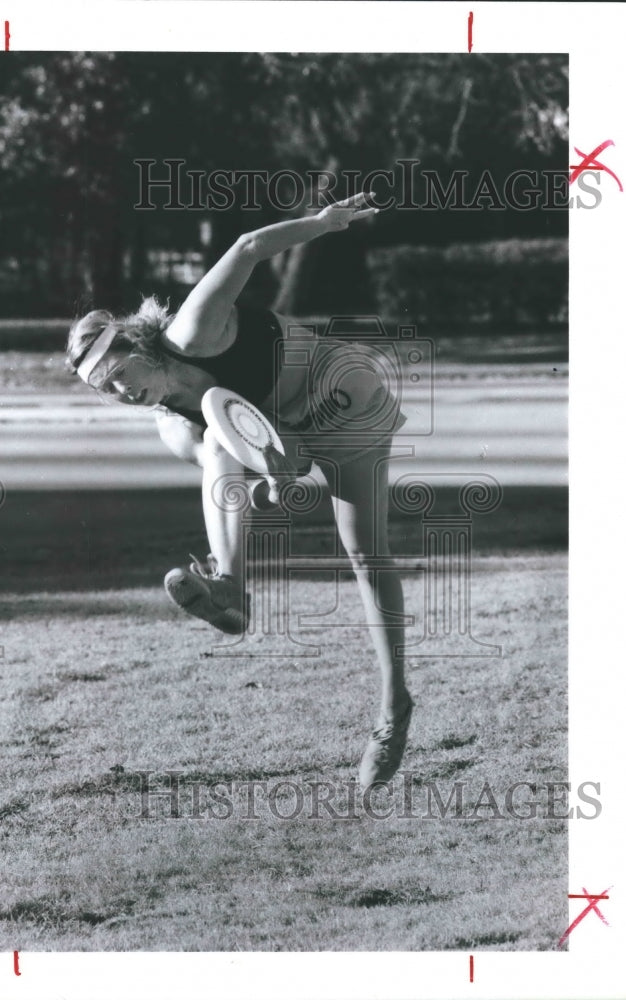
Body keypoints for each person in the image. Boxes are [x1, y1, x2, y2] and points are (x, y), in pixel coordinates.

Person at [66, 192, 413, 789]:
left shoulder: (191, 333)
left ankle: (393, 709)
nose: (122, 393)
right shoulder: (170, 426)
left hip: (338, 388)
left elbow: (247, 247)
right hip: (289, 429)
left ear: (137, 347)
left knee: (364, 552)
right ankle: (231, 585)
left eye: (121, 376)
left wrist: (324, 223)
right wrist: (276, 472)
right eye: (107, 391)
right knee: (206, 428)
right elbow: (238, 463)